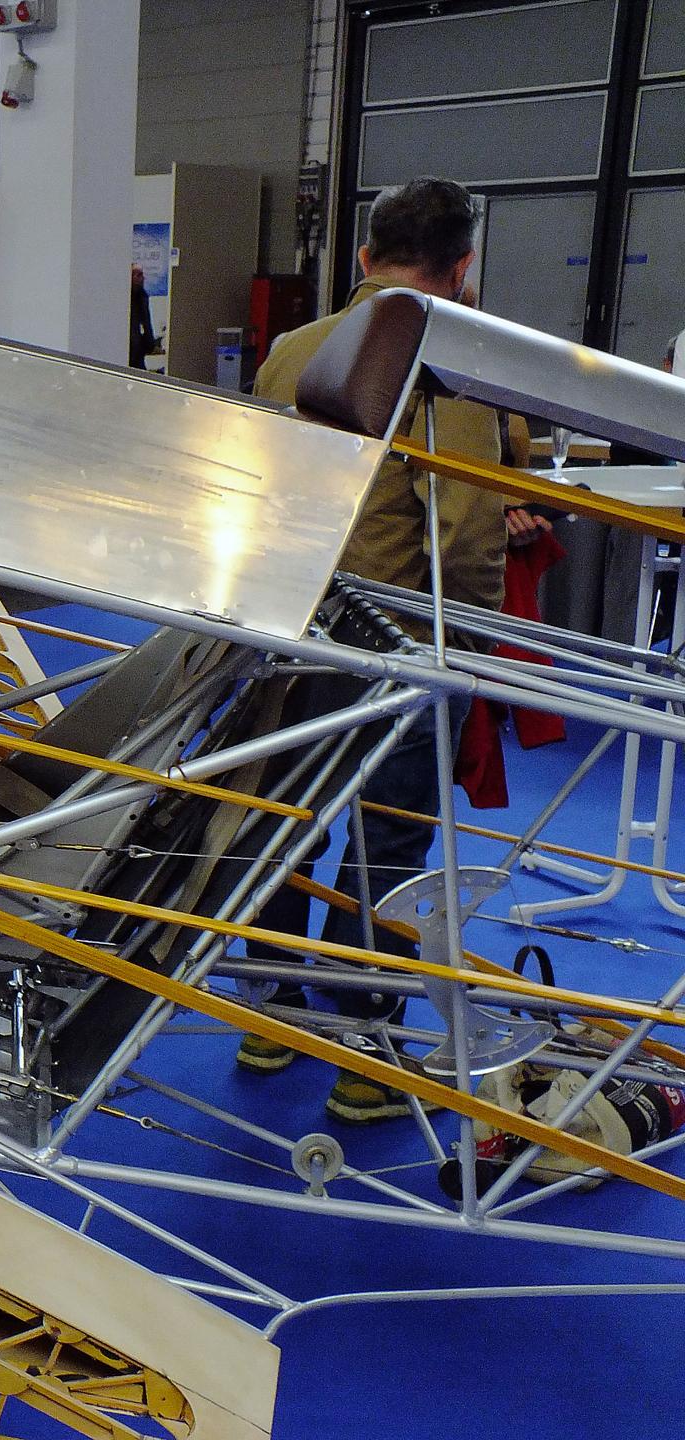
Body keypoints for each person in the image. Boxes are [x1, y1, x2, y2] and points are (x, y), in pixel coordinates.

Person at [234, 177, 510, 1124]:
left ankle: (267, 1016)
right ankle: (365, 1057)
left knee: (280, 816)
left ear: (361, 259)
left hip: (290, 626)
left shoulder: (290, 353)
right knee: (384, 843)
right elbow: (467, 527)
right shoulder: (449, 359)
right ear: (462, 270)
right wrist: (468, 648)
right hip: (396, 640)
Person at [129, 264, 158, 370]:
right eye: (139, 275)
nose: (143, 279)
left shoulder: (142, 297)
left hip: (139, 353)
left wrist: (149, 343)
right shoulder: (126, 300)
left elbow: (146, 323)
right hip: (129, 352)